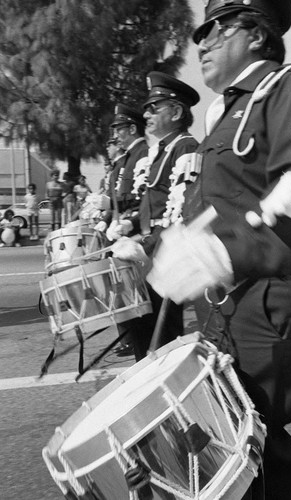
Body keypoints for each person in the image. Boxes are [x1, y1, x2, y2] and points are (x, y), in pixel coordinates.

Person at [147, 1, 291, 499]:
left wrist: (224, 253)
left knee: (256, 442)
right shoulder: (228, 112)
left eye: (218, 28)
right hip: (225, 306)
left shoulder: (287, 87)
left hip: (267, 303)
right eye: (205, 31)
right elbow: (214, 206)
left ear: (257, 35)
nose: (204, 41)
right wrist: (159, 245)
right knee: (236, 443)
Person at [111, 73, 200, 361]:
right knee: (142, 329)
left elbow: (183, 210)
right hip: (151, 250)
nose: (146, 114)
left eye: (154, 107)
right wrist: (131, 227)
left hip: (166, 254)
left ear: (175, 112)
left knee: (160, 339)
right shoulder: (163, 149)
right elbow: (153, 205)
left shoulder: (185, 147)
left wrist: (144, 245)